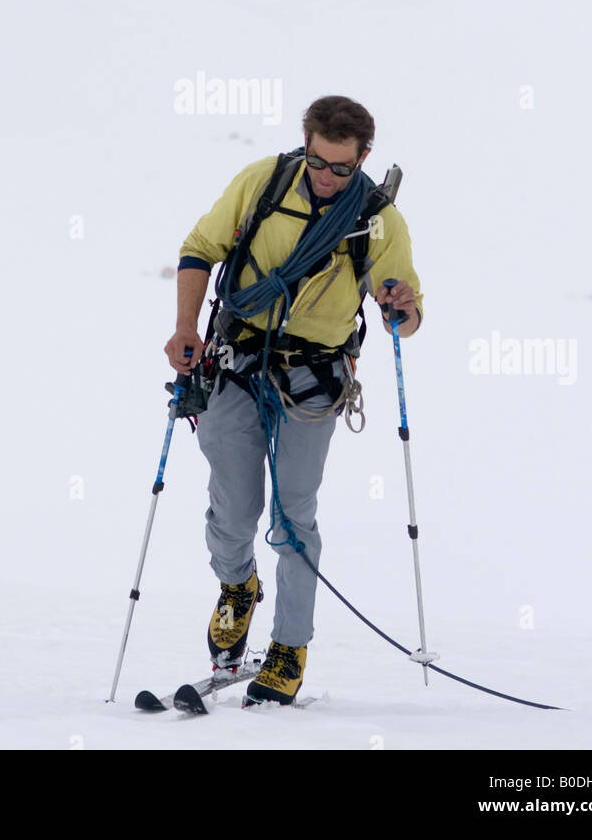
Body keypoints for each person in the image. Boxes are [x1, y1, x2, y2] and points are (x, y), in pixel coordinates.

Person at [163, 95, 423, 705]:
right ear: (304, 144)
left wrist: (401, 307)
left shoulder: (378, 219)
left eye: (342, 167)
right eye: (318, 161)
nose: (328, 177)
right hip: (235, 362)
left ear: (364, 158)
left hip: (313, 380)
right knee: (232, 510)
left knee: (293, 515)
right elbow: (201, 248)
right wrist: (184, 328)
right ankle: (237, 588)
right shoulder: (263, 183)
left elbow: (407, 318)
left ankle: (289, 645)